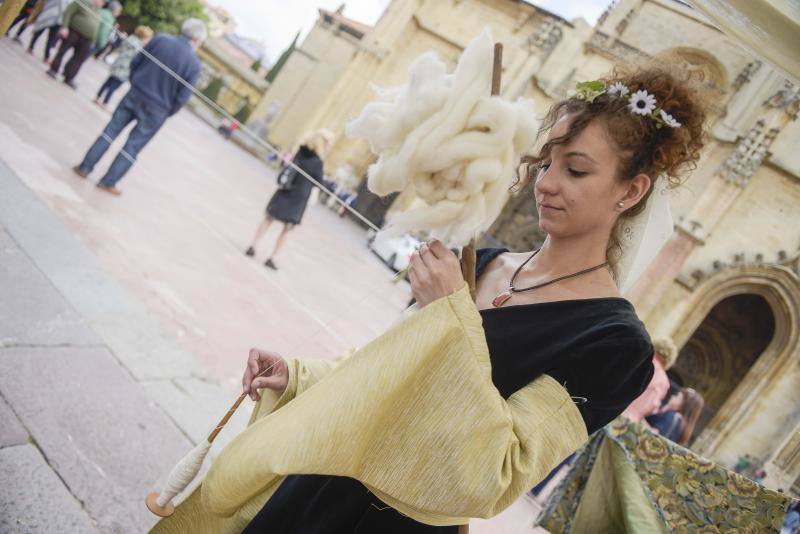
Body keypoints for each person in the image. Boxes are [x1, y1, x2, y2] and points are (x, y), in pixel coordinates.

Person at [223, 64, 707, 532]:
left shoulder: (616, 346)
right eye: (545, 164)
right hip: (321, 484)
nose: (546, 184)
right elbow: (387, 374)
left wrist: (447, 315)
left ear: (631, 191)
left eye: (576, 171)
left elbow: (500, 470)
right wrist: (300, 377)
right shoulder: (486, 262)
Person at [72, 18, 206, 195]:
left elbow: (136, 62)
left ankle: (84, 167)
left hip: (136, 94)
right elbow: (183, 97)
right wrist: (167, 111)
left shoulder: (160, 39)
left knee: (110, 131)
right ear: (196, 40)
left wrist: (136, 82)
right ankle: (107, 182)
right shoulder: (194, 64)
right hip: (158, 109)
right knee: (132, 147)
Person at [245, 130, 334, 270]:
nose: (330, 147)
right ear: (322, 143)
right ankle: (272, 258)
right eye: (329, 144)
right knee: (287, 229)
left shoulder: (301, 152)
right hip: (298, 200)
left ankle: (252, 245)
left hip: (285, 190)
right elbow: (319, 183)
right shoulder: (318, 162)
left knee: (268, 219)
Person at [46, 0, 103, 88]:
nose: (102, 3)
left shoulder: (98, 12)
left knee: (78, 59)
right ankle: (54, 69)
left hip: (87, 39)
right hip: (74, 31)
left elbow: (97, 27)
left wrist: (93, 40)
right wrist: (64, 27)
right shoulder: (81, 2)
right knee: (62, 51)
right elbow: (68, 13)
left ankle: (69, 77)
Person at [94, 25, 153, 109]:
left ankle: (98, 96)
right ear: (144, 37)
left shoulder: (130, 39)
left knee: (108, 82)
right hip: (125, 69)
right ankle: (105, 102)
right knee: (113, 87)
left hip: (118, 64)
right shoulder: (139, 46)